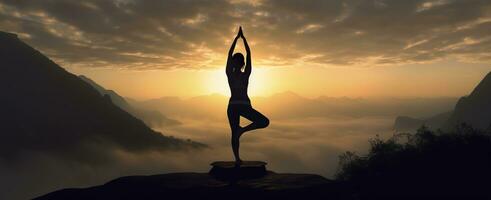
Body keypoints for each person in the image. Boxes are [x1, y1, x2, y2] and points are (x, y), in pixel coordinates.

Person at [226, 27, 269, 165]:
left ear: (235, 63)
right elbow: (248, 54)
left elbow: (230, 55)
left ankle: (237, 157)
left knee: (235, 133)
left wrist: (237, 39)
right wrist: (242, 39)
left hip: (233, 106)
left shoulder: (231, 74)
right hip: (242, 106)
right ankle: (238, 152)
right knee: (263, 122)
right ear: (242, 63)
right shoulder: (244, 74)